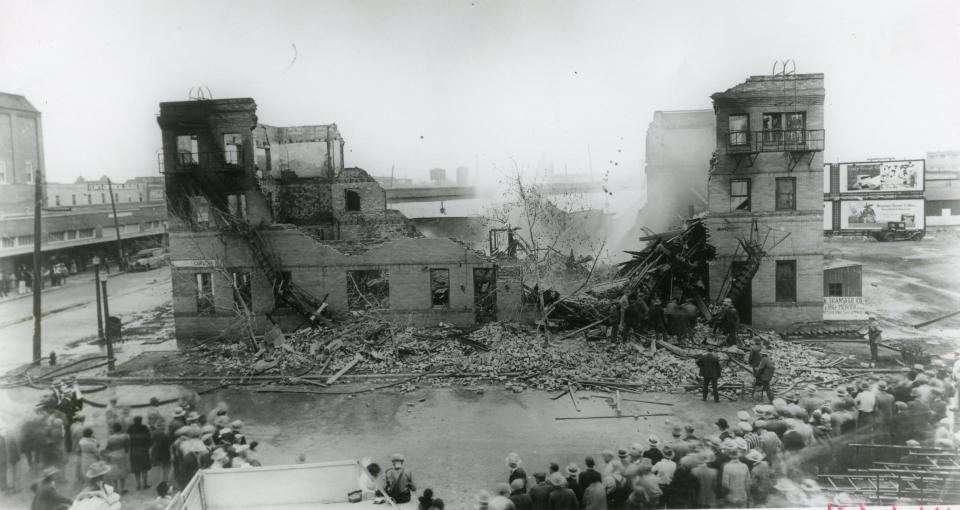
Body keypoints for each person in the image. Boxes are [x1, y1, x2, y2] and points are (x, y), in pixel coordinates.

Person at [102, 421, 130, 494]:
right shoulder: (125, 436)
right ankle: (122, 488)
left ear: (113, 429)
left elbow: (108, 448)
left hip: (113, 455)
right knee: (122, 472)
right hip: (122, 454)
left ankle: (115, 489)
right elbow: (127, 446)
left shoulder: (110, 438)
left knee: (114, 473)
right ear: (120, 429)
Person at [128, 416, 151, 491]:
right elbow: (149, 438)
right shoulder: (144, 427)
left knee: (136, 469)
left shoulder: (130, 428)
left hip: (134, 450)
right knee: (144, 468)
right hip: (143, 450)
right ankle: (145, 484)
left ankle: (138, 485)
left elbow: (128, 439)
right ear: (141, 421)